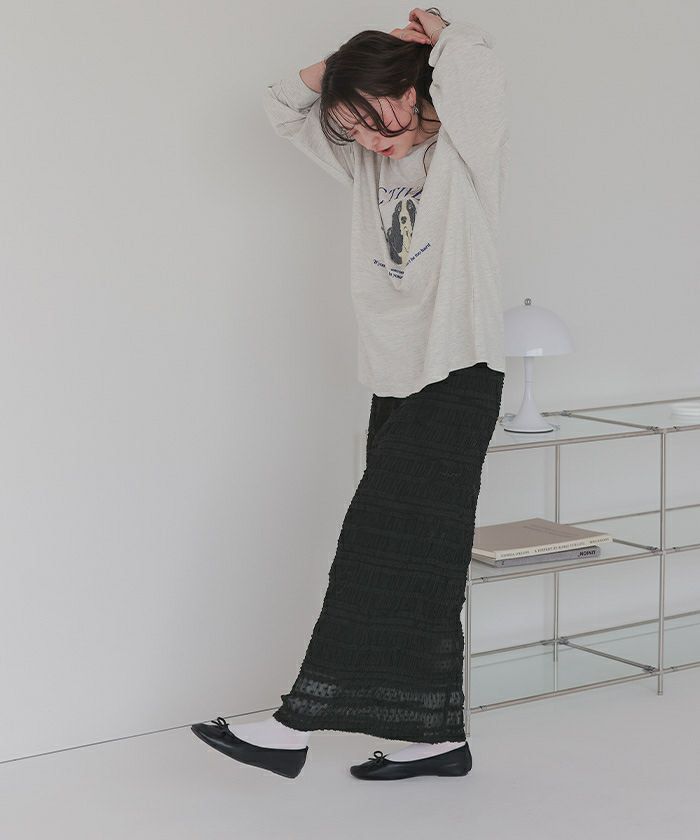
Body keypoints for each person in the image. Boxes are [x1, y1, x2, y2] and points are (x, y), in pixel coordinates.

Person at [191, 7, 510, 780]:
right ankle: (438, 738)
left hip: (459, 368)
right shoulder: (363, 164)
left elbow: (475, 62)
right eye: (352, 127)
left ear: (412, 86)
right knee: (424, 556)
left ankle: (294, 726)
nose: (369, 137)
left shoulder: (466, 149)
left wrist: (432, 31)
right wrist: (346, 69)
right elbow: (281, 103)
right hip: (396, 374)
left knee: (376, 544)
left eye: (376, 116)